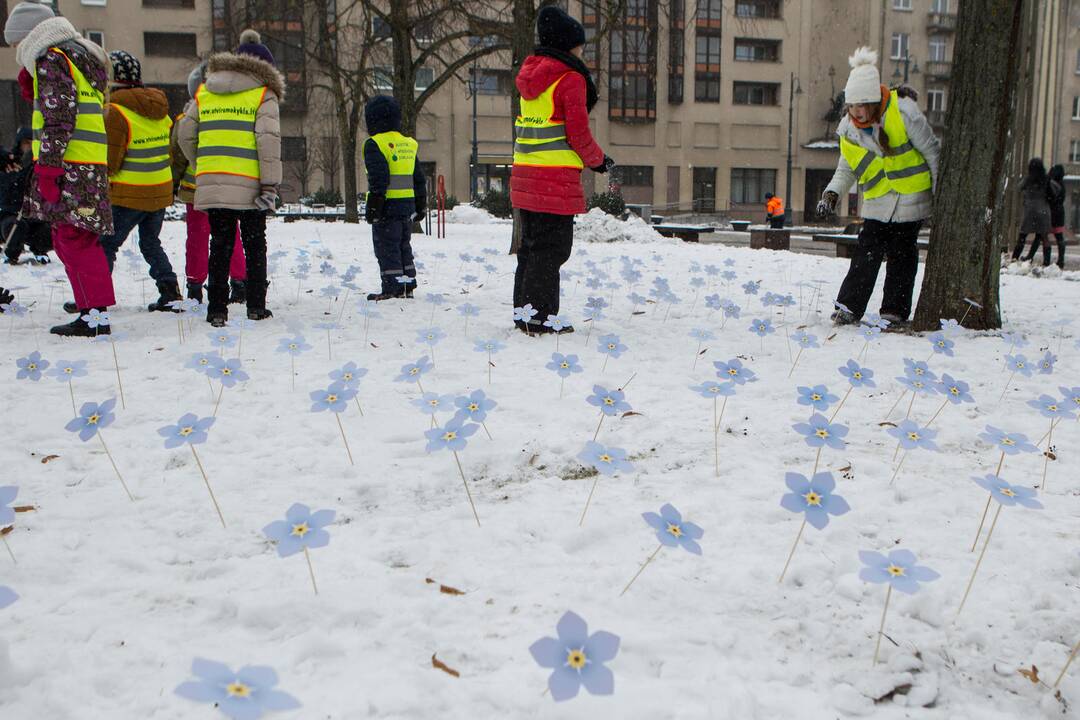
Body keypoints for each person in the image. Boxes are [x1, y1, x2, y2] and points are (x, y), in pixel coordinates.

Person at [4, 0, 116, 337]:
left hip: (70, 166)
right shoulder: (79, 57)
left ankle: (93, 316)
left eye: (16, 45)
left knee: (73, 238)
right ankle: (92, 311)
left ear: (29, 37)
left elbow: (58, 118)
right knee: (77, 237)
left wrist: (49, 168)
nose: (15, 51)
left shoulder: (52, 58)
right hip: (88, 164)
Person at [818, 47, 939, 327]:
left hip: (910, 197)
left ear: (874, 100)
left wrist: (939, 196)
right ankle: (849, 307)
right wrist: (832, 193)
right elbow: (847, 166)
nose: (857, 112)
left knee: (902, 253)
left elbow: (932, 152)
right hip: (877, 200)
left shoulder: (903, 111)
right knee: (866, 252)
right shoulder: (848, 128)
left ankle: (894, 311)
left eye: (863, 105)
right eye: (852, 106)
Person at [510, 5, 611, 334]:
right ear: (569, 45)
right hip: (554, 182)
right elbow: (577, 134)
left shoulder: (531, 77)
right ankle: (539, 319)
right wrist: (598, 161)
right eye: (580, 46)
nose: (582, 51)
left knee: (530, 249)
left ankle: (524, 314)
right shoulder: (570, 78)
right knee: (551, 250)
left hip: (526, 177)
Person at [178, 28, 282, 326]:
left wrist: (203, 164)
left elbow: (185, 133)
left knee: (220, 244)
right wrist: (269, 183)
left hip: (214, 183)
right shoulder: (264, 93)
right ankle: (256, 306)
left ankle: (217, 310)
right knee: (254, 244)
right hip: (250, 186)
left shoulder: (206, 91)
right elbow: (268, 140)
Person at [94, 50, 182, 312]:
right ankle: (170, 290)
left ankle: (95, 300)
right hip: (159, 189)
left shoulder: (116, 113)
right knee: (150, 242)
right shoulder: (160, 110)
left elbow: (111, 161)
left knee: (105, 245)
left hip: (129, 193)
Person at [172, 60, 247, 304]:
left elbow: (178, 156)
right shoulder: (229, 115)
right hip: (227, 187)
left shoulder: (185, 118)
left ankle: (195, 284)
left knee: (197, 237)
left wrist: (174, 183)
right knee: (231, 234)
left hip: (197, 190)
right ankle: (239, 281)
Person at [361, 95, 426, 301]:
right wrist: (421, 205)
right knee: (403, 245)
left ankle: (391, 287)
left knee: (386, 247)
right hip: (406, 207)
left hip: (386, 207)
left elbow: (378, 179)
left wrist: (373, 208)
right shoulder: (408, 144)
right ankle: (407, 283)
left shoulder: (375, 144)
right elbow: (418, 179)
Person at [1, 127, 52, 264]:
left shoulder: (38, 165)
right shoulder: (8, 163)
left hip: (34, 215)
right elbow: (8, 188)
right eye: (26, 143)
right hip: (10, 213)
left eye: (31, 143)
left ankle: (40, 250)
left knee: (47, 231)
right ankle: (12, 253)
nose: (28, 147)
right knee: (16, 226)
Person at [1011, 159, 1058, 268]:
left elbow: (1018, 187)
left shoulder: (1028, 179)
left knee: (1022, 235)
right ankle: (1046, 262)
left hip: (1030, 211)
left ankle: (1015, 258)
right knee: (1045, 237)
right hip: (1044, 211)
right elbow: (1054, 191)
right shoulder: (1046, 179)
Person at [1048, 164, 1067, 270]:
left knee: (1043, 236)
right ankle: (1061, 259)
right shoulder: (1062, 185)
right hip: (1060, 213)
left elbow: (1050, 197)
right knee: (1059, 237)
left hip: (1051, 212)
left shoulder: (1053, 184)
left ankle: (1047, 259)